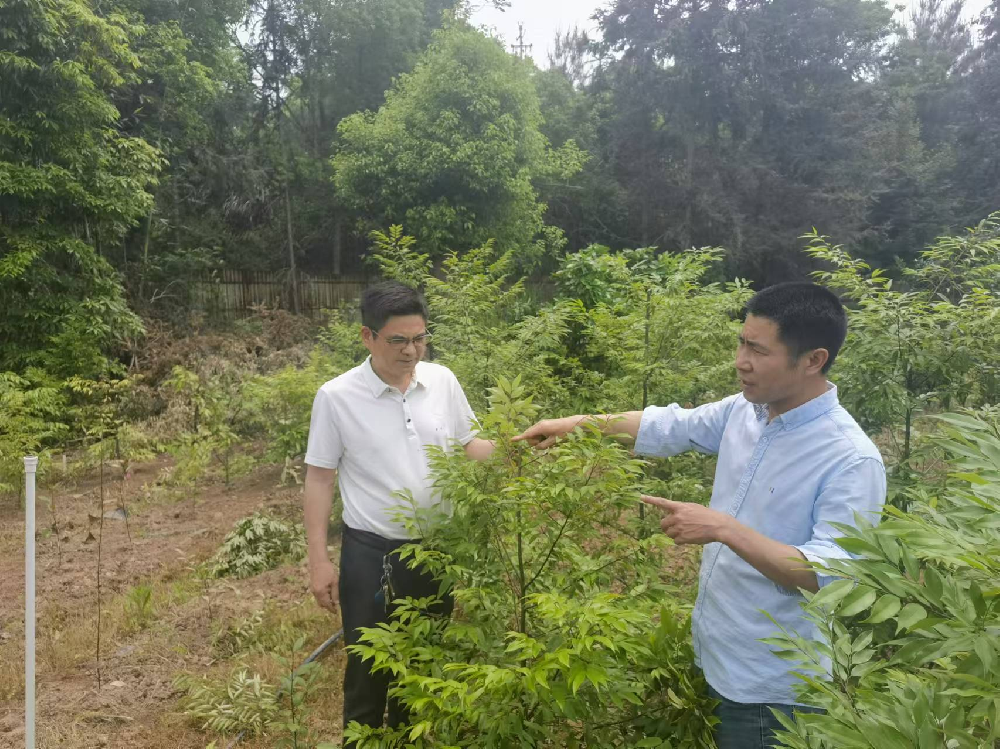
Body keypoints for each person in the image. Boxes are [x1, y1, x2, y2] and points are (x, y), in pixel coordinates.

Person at [514, 282, 886, 749]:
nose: (740, 361)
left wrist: (723, 528)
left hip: (773, 688)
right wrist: (577, 426)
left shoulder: (850, 459)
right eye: (742, 343)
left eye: (758, 350)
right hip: (717, 654)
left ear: (813, 360)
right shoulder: (746, 411)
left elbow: (831, 577)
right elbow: (671, 426)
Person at [302, 281, 494, 744]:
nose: (411, 351)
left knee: (422, 667)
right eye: (399, 340)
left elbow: (471, 445)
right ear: (367, 337)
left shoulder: (442, 381)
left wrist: (522, 449)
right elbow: (320, 479)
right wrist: (318, 560)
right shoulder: (337, 396)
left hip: (435, 553)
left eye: (420, 338)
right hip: (372, 555)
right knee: (368, 669)